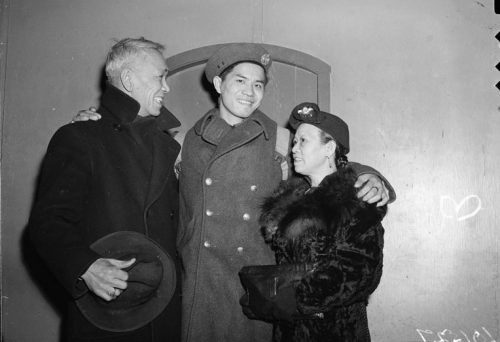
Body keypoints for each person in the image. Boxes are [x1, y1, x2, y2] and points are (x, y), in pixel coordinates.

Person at [176, 43, 395, 342]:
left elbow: (324, 167)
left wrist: (369, 175)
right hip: (203, 282)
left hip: (257, 282)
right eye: (240, 81)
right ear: (218, 84)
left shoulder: (279, 138)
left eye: (258, 85)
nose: (249, 92)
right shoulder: (186, 141)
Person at [29, 37, 182, 342]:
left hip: (163, 314)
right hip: (108, 317)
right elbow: (48, 223)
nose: (166, 86)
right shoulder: (79, 136)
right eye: (159, 76)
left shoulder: (166, 143)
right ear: (128, 79)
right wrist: (84, 266)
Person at [241, 102, 387, 341]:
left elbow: (360, 273)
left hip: (335, 330)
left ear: (329, 148)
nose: (294, 149)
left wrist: (292, 299)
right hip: (288, 331)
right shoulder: (295, 199)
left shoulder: (356, 200)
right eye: (294, 142)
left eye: (303, 141)